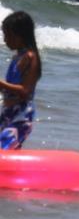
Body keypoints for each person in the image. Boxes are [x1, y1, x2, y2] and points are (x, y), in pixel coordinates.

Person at [0, 11, 41, 150]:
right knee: (9, 150)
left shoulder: (30, 57)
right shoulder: (16, 58)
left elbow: (25, 91)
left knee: (3, 147)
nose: (5, 40)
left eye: (8, 35)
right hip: (7, 112)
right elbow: (8, 88)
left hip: (21, 116)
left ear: (20, 36)